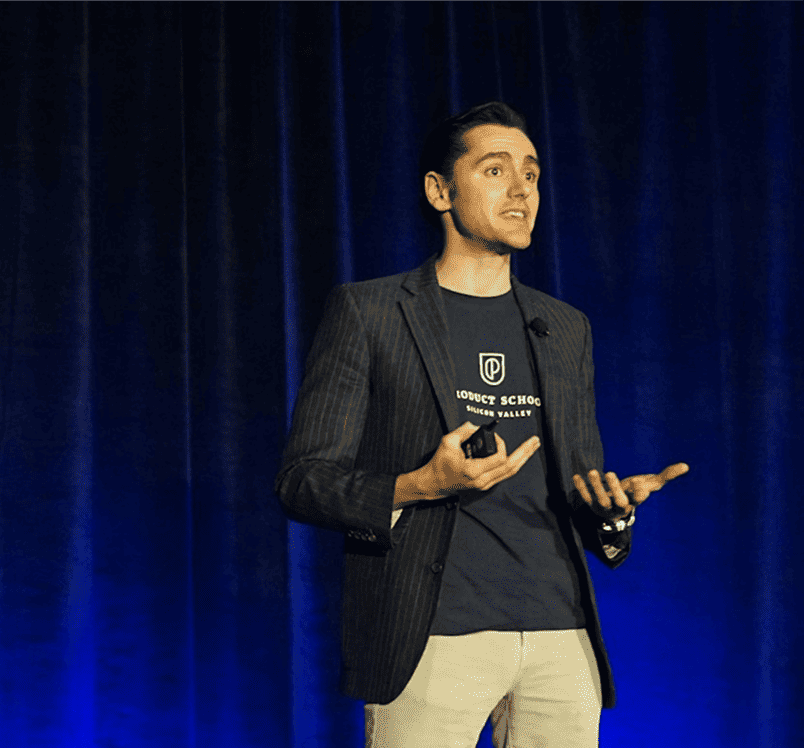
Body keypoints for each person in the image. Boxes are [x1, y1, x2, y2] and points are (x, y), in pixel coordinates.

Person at [275, 101, 689, 747]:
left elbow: (577, 489)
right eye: (495, 170)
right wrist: (420, 484)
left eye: (532, 173)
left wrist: (612, 512)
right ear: (439, 191)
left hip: (560, 635)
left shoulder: (565, 327)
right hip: (432, 636)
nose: (522, 188)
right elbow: (303, 482)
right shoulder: (371, 313)